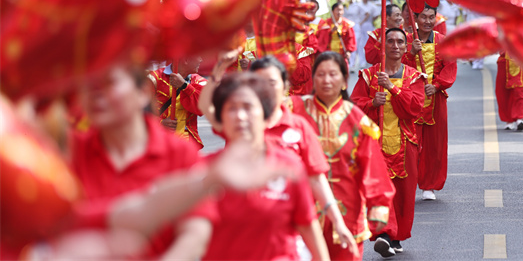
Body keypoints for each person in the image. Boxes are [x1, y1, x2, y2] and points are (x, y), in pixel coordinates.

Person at [175, 73, 330, 261]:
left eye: (248, 107)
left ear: (266, 115)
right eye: (231, 108)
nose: (240, 116)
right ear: (220, 118)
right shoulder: (207, 171)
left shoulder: (288, 167)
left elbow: (307, 225)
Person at [70, 65, 200, 258]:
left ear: (143, 93)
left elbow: (195, 233)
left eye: (109, 82)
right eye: (88, 84)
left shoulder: (179, 153)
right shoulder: (69, 152)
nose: (95, 93)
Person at [288, 51, 395, 261]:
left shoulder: (357, 120)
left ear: (345, 80)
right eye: (320, 74)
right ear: (313, 78)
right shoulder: (294, 111)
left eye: (333, 74)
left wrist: (379, 207)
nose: (326, 80)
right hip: (303, 208)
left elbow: (373, 168)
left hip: (348, 209)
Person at [250, 56, 359, 258]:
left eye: (272, 82)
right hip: (250, 225)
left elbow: (316, 178)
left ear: (284, 86)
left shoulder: (298, 126)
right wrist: (219, 69)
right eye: (258, 83)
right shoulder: (241, 124)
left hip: (289, 223)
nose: (265, 89)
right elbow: (211, 110)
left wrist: (338, 222)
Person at [350, 28, 425, 256]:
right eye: (390, 41)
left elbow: (414, 109)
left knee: (403, 194)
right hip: (375, 145)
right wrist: (372, 103)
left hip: (405, 143)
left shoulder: (414, 76)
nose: (394, 45)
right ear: (382, 46)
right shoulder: (368, 76)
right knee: (379, 191)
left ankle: (396, 235)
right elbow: (353, 107)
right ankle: (383, 233)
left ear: (405, 47)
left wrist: (392, 88)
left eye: (400, 42)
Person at [403, 5, 457, 201]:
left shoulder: (443, 42)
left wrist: (437, 85)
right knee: (409, 143)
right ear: (415, 18)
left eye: (431, 17)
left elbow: (450, 67)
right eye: (423, 17)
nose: (427, 21)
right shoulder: (406, 41)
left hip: (435, 100)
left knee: (435, 145)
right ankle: (406, 183)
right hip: (409, 100)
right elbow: (395, 66)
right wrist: (410, 53)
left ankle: (429, 186)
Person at [148, 56, 206, 148]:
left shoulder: (199, 81)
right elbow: (137, 111)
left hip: (186, 145)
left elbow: (202, 108)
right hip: (159, 142)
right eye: (198, 56)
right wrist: (160, 123)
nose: (201, 60)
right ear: (186, 59)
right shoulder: (155, 78)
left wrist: (184, 86)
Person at [495, 52, 523, 131]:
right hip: (504, 61)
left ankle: (519, 118)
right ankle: (508, 120)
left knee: (519, 90)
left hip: (519, 61)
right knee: (502, 92)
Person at [345, 0, 378, 71]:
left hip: (357, 26)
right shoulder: (345, 6)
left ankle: (362, 61)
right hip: (348, 27)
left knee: (359, 44)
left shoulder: (357, 5)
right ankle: (351, 64)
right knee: (351, 45)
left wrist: (360, 22)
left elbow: (367, 13)